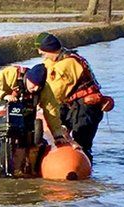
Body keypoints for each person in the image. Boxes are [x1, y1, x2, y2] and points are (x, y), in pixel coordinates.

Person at [36, 32, 114, 162]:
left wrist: (40, 103)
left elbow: (56, 91)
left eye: (41, 50)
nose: (39, 52)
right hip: (70, 105)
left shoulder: (68, 64)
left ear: (50, 49)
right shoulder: (55, 61)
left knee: (82, 142)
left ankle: (82, 167)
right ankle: (59, 157)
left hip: (85, 108)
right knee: (58, 131)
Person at [0, 63, 68, 145]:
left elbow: (51, 111)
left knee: (32, 139)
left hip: (24, 116)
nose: (36, 88)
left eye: (39, 86)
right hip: (0, 111)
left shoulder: (44, 89)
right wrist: (4, 96)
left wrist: (58, 135)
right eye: (34, 84)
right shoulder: (11, 74)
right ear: (27, 78)